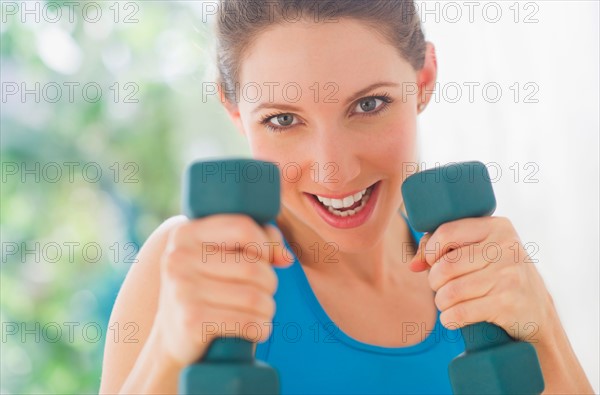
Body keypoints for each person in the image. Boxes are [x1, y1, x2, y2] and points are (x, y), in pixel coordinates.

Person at [99, 1, 594, 393]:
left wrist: (544, 327)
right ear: (233, 107)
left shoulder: (479, 262)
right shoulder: (187, 266)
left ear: (423, 80)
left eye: (369, 104)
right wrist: (168, 348)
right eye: (283, 120)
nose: (334, 170)